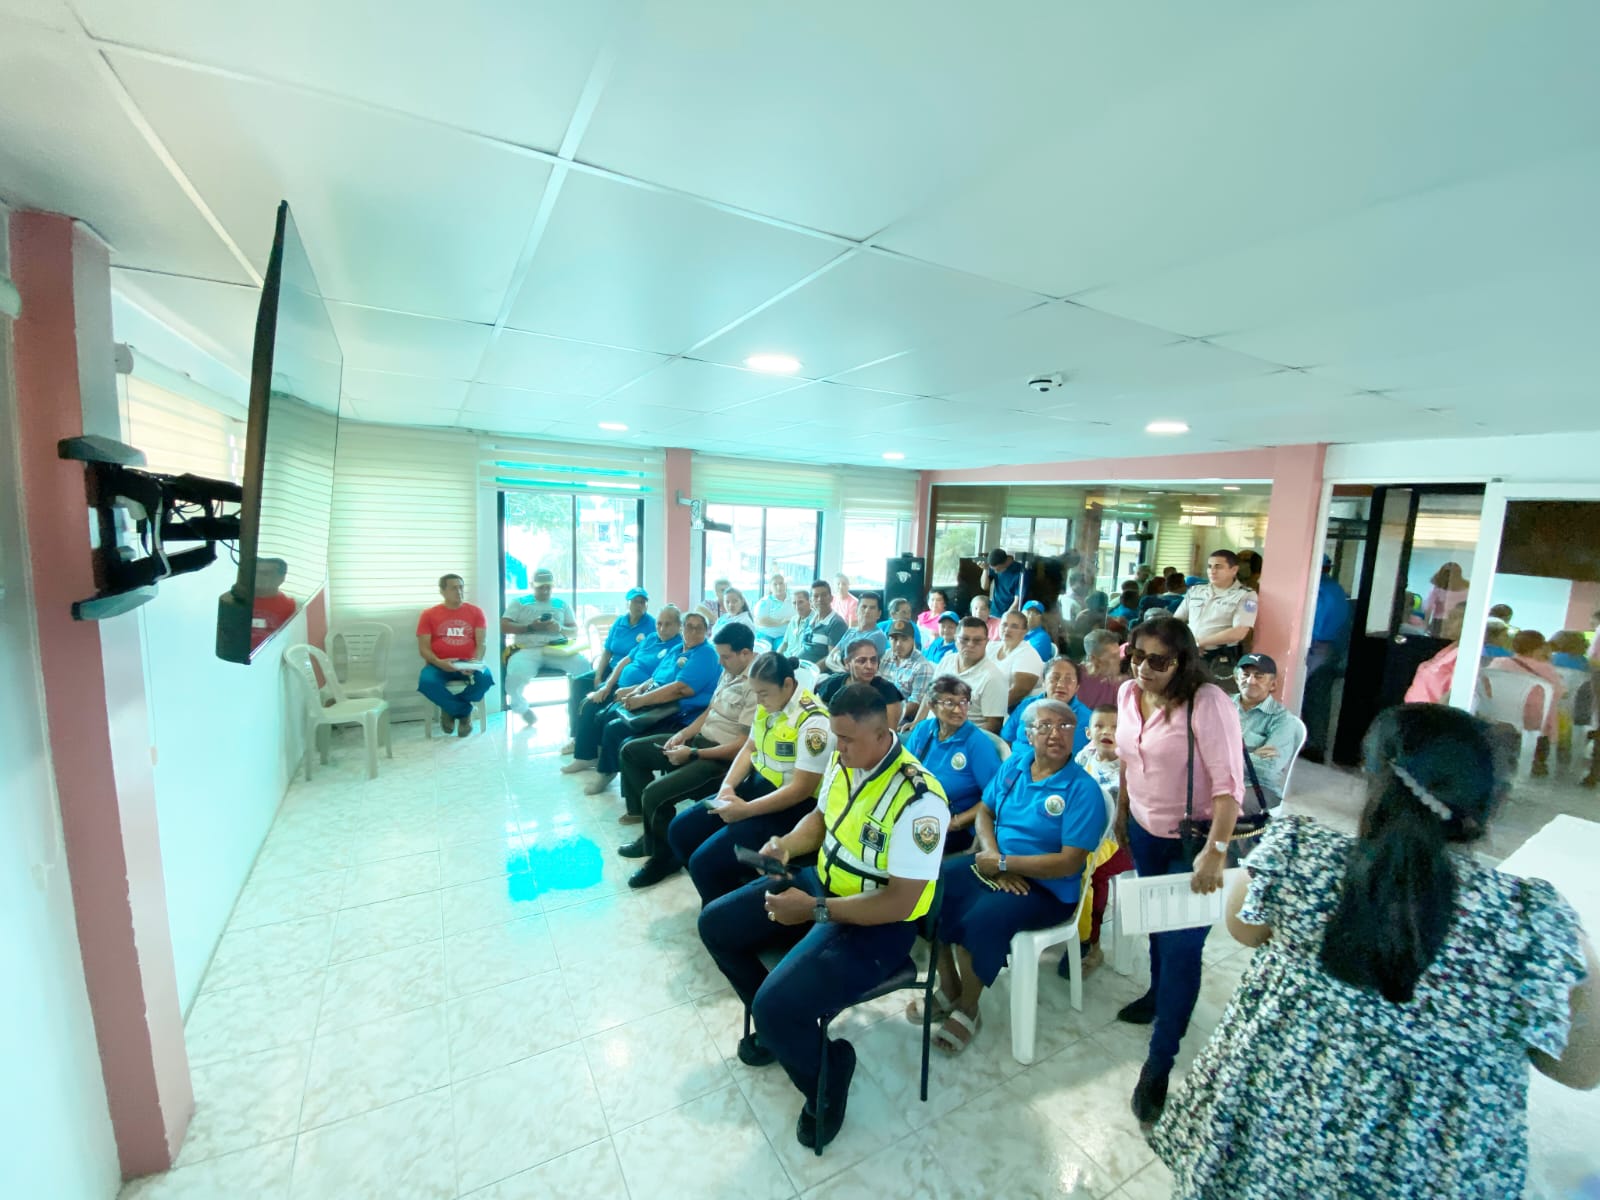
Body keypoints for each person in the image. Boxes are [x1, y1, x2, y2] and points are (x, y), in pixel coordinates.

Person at [1151, 703, 1600, 1198]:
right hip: (1427, 1170)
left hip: (1273, 1132)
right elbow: (1581, 1070)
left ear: (1372, 779)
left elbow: (1242, 929)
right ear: (1493, 804)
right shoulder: (1532, 927)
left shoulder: (1297, 854)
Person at [695, 683, 950, 1150]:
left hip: (877, 924)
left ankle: (827, 1077)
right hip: (824, 885)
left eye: (848, 740)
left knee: (774, 1008)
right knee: (716, 924)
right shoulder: (845, 758)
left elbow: (900, 902)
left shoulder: (920, 802)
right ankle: (789, 1032)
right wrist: (786, 844)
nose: (839, 747)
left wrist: (812, 910)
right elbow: (820, 817)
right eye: (837, 737)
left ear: (883, 734)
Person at [1113, 613, 1244, 1126]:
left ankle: (1160, 1060)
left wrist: (1216, 850)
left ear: (1183, 661)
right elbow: (1128, 760)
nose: (1144, 668)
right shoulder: (1128, 695)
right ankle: (1156, 994)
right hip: (1145, 830)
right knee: (1156, 926)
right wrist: (1123, 811)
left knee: (1183, 948)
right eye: (1137, 656)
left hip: (1193, 842)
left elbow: (1229, 787)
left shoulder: (1208, 703)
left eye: (1159, 661)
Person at [925, 698, 1107, 1053]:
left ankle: (968, 1008)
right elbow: (985, 811)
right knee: (929, 887)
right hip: (997, 863)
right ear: (1028, 733)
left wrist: (1006, 864)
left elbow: (1069, 862)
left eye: (1065, 726)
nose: (1055, 733)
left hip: (1048, 890)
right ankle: (948, 985)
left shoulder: (1082, 790)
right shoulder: (1016, 765)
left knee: (981, 920)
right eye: (1045, 725)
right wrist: (994, 857)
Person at [664, 653, 833, 900]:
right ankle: (726, 891)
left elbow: (801, 789)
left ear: (787, 684)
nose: (758, 700)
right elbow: (749, 748)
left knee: (705, 863)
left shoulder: (814, 723)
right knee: (681, 830)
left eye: (763, 694)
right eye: (756, 693)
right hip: (754, 788)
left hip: (788, 807)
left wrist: (746, 811)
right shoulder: (769, 703)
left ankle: (727, 905)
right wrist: (727, 787)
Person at [615, 623, 759, 879]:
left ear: (745, 653)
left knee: (655, 793)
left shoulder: (758, 683)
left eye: (725, 657)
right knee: (631, 752)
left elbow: (742, 746)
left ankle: (664, 859)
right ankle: (654, 835)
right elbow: (710, 711)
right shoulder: (730, 670)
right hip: (699, 741)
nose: (720, 662)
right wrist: (683, 735)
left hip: (720, 759)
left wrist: (692, 754)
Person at [564, 610, 720, 794]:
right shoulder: (678, 649)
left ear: (707, 631)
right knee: (607, 716)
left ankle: (610, 774)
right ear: (683, 628)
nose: (693, 632)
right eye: (689, 627)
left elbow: (680, 689)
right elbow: (655, 677)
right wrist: (636, 691)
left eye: (699, 628)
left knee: (616, 730)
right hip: (658, 704)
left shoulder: (705, 653)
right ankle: (603, 766)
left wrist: (641, 700)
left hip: (677, 714)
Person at [565, 605, 681, 758]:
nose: (662, 628)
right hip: (619, 685)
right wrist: (607, 685)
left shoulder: (678, 647)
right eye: (659, 623)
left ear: (678, 625)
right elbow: (625, 660)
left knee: (601, 713)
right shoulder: (651, 638)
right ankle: (585, 754)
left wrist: (630, 690)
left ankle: (594, 756)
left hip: (638, 693)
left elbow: (660, 681)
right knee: (588, 704)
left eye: (668, 624)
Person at [904, 675, 1003, 854]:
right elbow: (905, 769)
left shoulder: (976, 743)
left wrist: (955, 823)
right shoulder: (924, 730)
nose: (958, 710)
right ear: (932, 705)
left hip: (955, 824)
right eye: (949, 703)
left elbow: (995, 797)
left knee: (905, 848)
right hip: (918, 810)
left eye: (963, 702)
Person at [1072, 704, 1132, 972]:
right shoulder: (1085, 756)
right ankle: (1063, 918)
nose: (1107, 731)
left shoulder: (1129, 767)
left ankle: (1090, 942)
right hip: (1082, 832)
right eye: (1099, 726)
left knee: (1085, 870)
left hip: (1116, 841)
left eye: (1116, 727)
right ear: (1088, 732)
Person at [564, 587, 654, 740]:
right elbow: (607, 652)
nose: (639, 605)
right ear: (628, 603)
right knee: (579, 683)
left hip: (626, 674)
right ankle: (576, 734)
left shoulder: (651, 624)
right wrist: (598, 675)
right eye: (636, 601)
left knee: (596, 697)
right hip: (611, 667)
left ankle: (591, 737)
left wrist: (605, 683)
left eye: (643, 602)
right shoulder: (619, 622)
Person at [502, 567, 583, 725]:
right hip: (527, 649)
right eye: (541, 587)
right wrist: (530, 627)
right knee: (515, 675)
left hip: (557, 649)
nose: (545, 591)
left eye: (548, 587)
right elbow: (504, 626)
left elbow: (574, 631)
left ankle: (577, 705)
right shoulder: (519, 602)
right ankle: (522, 708)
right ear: (532, 585)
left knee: (583, 666)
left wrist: (560, 628)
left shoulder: (561, 604)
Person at [415, 573, 492, 736]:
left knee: (485, 679)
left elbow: (482, 643)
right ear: (442, 591)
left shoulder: (476, 612)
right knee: (426, 682)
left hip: (469, 662)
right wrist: (440, 662)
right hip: (439, 663)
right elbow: (423, 648)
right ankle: (464, 712)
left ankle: (450, 708)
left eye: (461, 587)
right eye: (453, 588)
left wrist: (474, 663)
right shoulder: (428, 615)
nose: (459, 591)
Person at [1486, 630, 1565, 775]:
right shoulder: (1545, 668)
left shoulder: (1499, 662)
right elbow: (1558, 693)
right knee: (1549, 709)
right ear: (1539, 648)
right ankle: (1538, 761)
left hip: (1497, 710)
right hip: (1532, 718)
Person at [1174, 549, 1259, 677]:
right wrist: (1187, 643)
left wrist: (1199, 643)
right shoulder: (1196, 590)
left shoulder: (1247, 595)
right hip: (1188, 653)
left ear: (1234, 570)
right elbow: (1176, 621)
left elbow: (1240, 631)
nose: (1212, 571)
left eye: (1218, 567)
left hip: (1219, 657)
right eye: (1209, 566)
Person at [915, 617, 1008, 732]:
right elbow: (929, 695)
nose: (970, 644)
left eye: (977, 640)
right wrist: (916, 723)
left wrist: (958, 737)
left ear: (986, 642)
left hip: (962, 737)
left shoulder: (994, 678)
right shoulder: (947, 661)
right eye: (964, 639)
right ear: (955, 639)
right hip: (928, 729)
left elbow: (994, 725)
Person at [1302, 555, 1352, 761]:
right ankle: (1315, 744)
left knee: (1314, 697)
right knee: (1319, 697)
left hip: (1319, 647)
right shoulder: (1334, 589)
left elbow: (1317, 627)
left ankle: (1313, 746)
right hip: (1331, 649)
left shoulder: (1320, 590)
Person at [1234, 654, 1299, 809]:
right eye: (1245, 675)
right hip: (1214, 779)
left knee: (1225, 806)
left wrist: (1220, 760)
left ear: (1273, 684)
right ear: (1236, 678)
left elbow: (1268, 767)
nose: (1251, 681)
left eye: (1259, 676)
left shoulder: (1282, 719)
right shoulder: (1220, 705)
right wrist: (1251, 756)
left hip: (1257, 785)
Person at [1002, 657, 1089, 756]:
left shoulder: (1086, 720)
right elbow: (1006, 739)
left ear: (1077, 687)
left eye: (1068, 680)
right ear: (1043, 682)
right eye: (1054, 678)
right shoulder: (1027, 705)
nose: (1060, 684)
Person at [815, 636, 904, 729]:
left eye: (873, 660)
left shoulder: (888, 691)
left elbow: (889, 732)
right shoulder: (833, 684)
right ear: (847, 663)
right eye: (862, 661)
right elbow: (818, 716)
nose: (869, 666)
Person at [1404, 603, 1467, 705]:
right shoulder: (1451, 648)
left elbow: (1452, 698)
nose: (1447, 622)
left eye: (1455, 618)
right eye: (1449, 617)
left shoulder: (1465, 657)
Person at [988, 610, 1045, 710]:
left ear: (1024, 631)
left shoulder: (1028, 655)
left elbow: (1018, 692)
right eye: (1004, 625)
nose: (1007, 629)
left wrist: (988, 709)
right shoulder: (991, 647)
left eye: (1014, 626)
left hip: (1013, 709)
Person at [881, 619, 935, 722]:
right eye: (894, 639)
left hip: (903, 718)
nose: (898, 644)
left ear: (913, 641)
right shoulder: (886, 656)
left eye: (904, 639)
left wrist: (887, 716)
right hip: (878, 711)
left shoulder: (922, 666)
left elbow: (915, 704)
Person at [825, 591, 887, 673]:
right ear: (856, 611)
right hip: (839, 674)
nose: (867, 611)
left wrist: (837, 657)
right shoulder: (850, 631)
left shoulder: (878, 636)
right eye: (864, 607)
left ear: (878, 614)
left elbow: (857, 667)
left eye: (872, 608)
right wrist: (840, 669)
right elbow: (829, 659)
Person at [795, 580, 848, 665]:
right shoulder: (810, 620)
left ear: (831, 598)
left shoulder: (837, 623)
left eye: (824, 595)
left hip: (818, 670)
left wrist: (812, 670)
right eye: (816, 596)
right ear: (811, 601)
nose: (820, 599)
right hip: (801, 666)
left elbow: (832, 658)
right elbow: (805, 647)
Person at [249, 556, 297, 650]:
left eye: (266, 574)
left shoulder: (288, 606)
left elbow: (287, 641)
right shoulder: (237, 600)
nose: (258, 577)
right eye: (256, 572)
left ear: (281, 578)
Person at [1076, 628, 1128, 709]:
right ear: (1093, 659)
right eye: (1113, 656)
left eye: (1118, 654)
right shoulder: (1073, 677)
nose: (1119, 659)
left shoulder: (1120, 684)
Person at [1423, 561, 1470, 633]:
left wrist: (1425, 626)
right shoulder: (1467, 588)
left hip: (1443, 622)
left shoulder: (1437, 589)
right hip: (1456, 623)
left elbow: (1428, 608)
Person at [753, 573, 795, 650]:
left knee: (784, 651)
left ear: (785, 585)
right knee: (764, 652)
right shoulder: (764, 602)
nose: (778, 587)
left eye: (781, 583)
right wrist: (782, 621)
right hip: (765, 634)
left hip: (784, 636)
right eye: (775, 584)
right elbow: (761, 621)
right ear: (770, 587)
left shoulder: (793, 600)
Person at [982, 548, 1028, 613]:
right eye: (993, 569)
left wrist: (1006, 617)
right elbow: (984, 586)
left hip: (1010, 612)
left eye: (997, 569)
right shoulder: (995, 565)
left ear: (1006, 562)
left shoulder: (1021, 573)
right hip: (994, 610)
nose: (995, 572)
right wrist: (986, 569)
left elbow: (1017, 602)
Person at [777, 589, 812, 657]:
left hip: (800, 660)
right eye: (794, 603)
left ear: (809, 602)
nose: (797, 606)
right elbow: (785, 644)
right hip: (786, 658)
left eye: (801, 602)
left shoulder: (815, 621)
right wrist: (776, 656)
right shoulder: (793, 620)